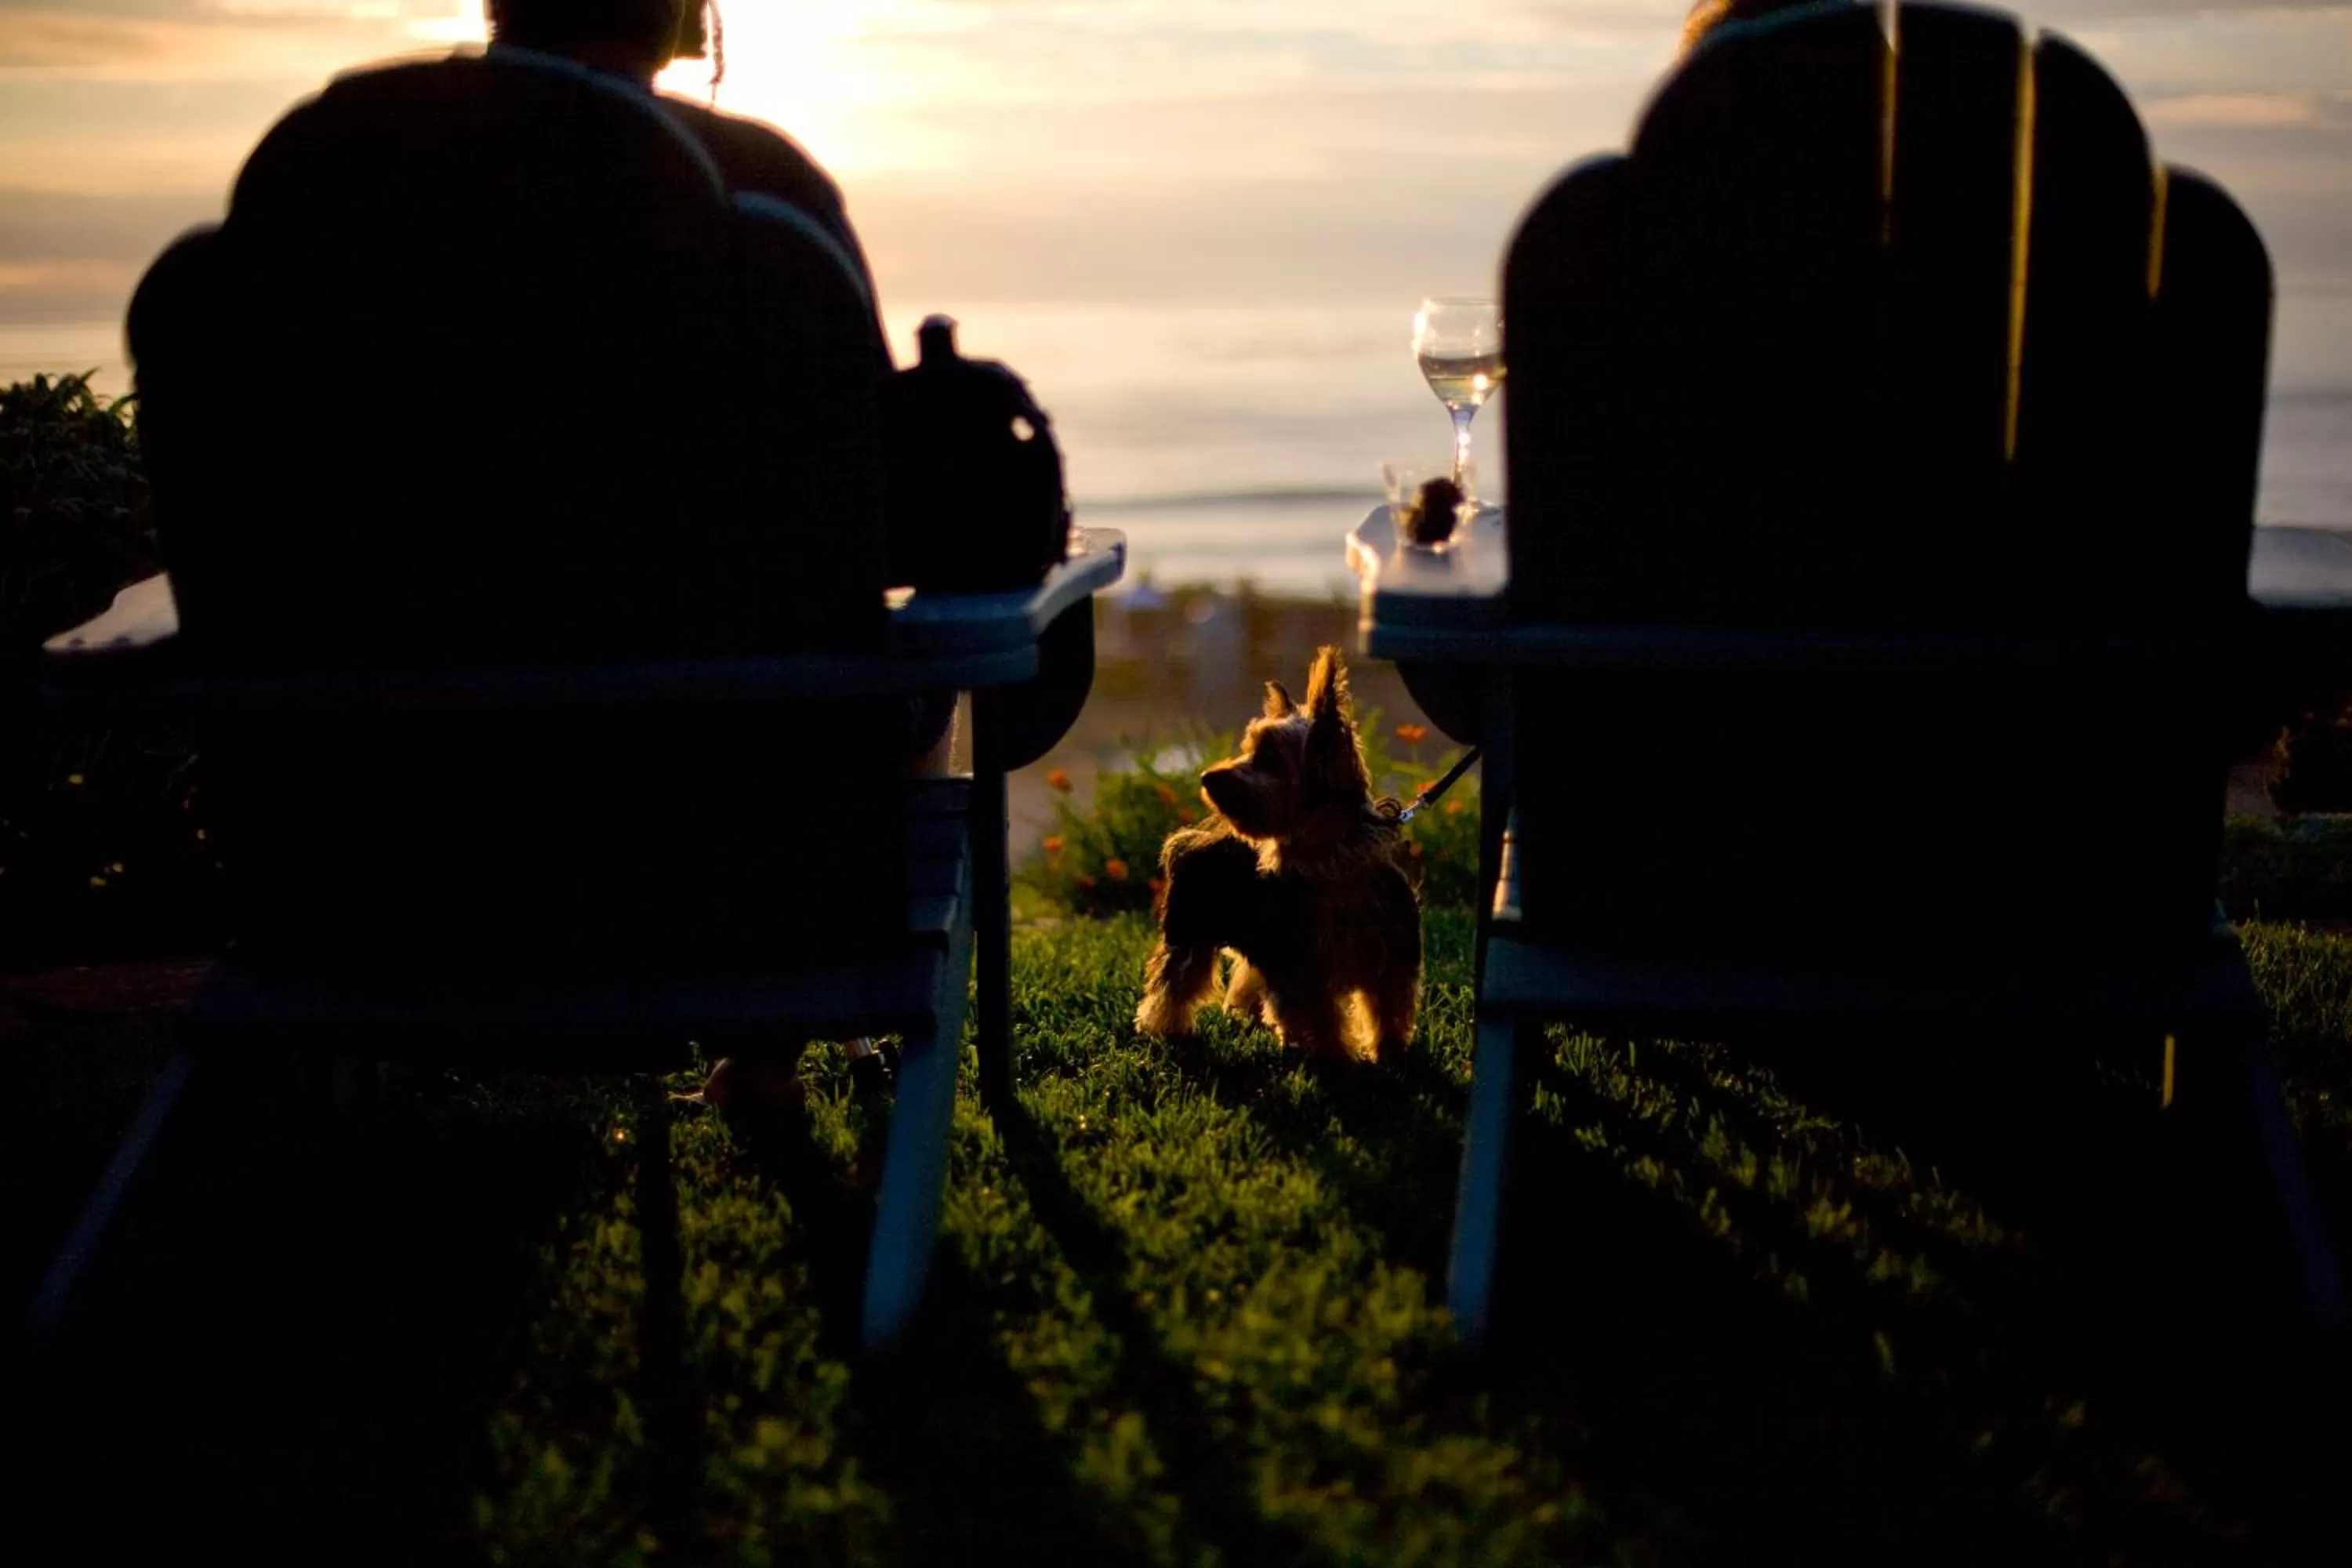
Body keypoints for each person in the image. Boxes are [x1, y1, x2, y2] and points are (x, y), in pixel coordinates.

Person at [485, 0, 946, 1109]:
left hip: (404, 869)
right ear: (684, 21)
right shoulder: (763, 189)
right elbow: (875, 509)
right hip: (752, 870)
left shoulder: (347, 199)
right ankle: (762, 1049)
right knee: (914, 665)